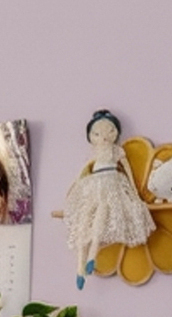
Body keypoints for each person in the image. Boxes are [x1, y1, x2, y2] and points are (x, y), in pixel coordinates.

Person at [55, 108, 153, 281]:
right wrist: (74, 185)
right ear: (91, 136)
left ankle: (91, 258)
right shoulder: (94, 153)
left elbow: (127, 169)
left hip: (112, 183)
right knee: (85, 220)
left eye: (110, 131)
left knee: (101, 215)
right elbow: (84, 169)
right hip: (95, 183)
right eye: (97, 134)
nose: (104, 137)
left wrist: (134, 189)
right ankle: (79, 268)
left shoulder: (117, 151)